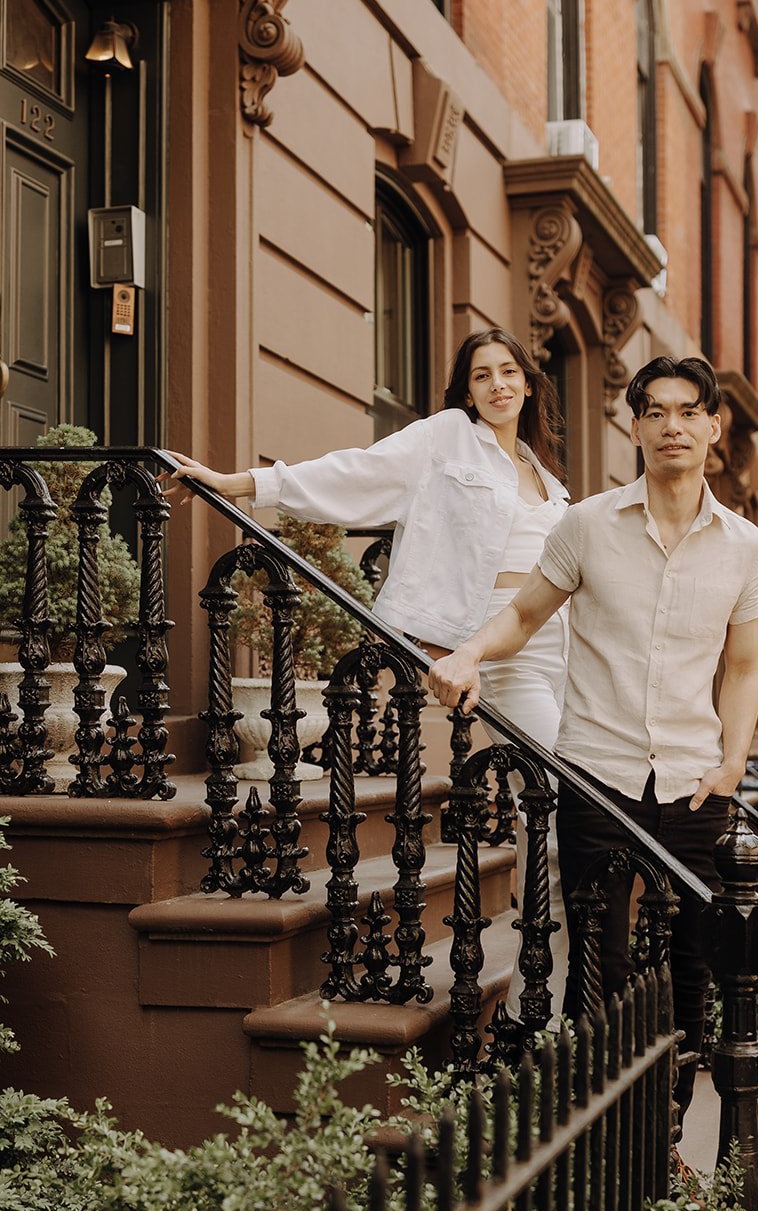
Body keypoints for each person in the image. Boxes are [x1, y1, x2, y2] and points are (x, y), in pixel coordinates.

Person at [164, 328, 572, 1019]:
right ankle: (552, 1005)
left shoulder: (543, 471)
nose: (498, 385)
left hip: (563, 643)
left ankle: (564, 986)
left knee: (571, 811)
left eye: (509, 372)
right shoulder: (446, 437)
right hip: (501, 649)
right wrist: (243, 483)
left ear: (530, 383)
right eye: (481, 376)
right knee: (555, 808)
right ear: (465, 391)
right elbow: (354, 471)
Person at [428, 354, 758, 1120]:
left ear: (712, 426)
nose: (671, 426)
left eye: (687, 411)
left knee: (692, 965)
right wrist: (470, 652)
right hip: (598, 777)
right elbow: (523, 615)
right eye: (654, 411)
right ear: (635, 428)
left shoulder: (747, 548)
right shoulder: (584, 525)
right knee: (599, 967)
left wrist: (732, 764)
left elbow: (742, 667)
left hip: (692, 782)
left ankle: (671, 1128)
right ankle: (610, 1127)